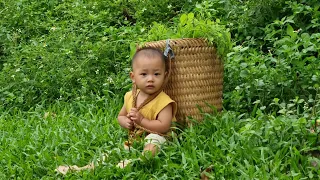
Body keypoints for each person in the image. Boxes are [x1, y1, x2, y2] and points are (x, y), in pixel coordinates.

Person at [56, 47, 177, 174]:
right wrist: (125, 122)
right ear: (133, 77)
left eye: (156, 74)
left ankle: (138, 162)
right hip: (135, 140)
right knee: (112, 153)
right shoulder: (130, 96)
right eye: (144, 74)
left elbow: (164, 126)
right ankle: (87, 168)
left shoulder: (164, 101)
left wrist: (142, 120)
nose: (150, 79)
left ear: (165, 75)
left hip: (159, 137)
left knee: (153, 142)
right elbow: (121, 116)